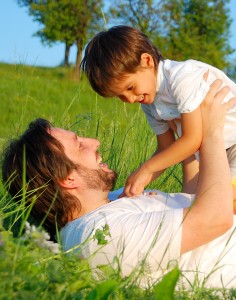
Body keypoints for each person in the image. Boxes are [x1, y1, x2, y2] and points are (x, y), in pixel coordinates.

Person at [1, 81, 236, 288]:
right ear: (67, 179)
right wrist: (211, 133)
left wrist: (188, 145)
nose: (94, 142)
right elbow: (214, 219)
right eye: (79, 145)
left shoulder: (113, 202)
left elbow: (194, 207)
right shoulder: (96, 236)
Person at [80, 25, 236, 199]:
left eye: (130, 87)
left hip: (233, 143)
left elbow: (192, 140)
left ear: (147, 61)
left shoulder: (182, 78)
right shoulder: (149, 102)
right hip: (213, 153)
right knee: (197, 204)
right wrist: (137, 183)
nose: (130, 99)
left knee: (220, 201)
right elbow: (166, 147)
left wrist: (147, 169)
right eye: (120, 96)